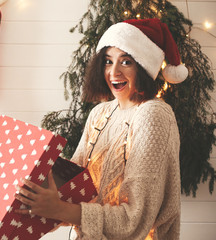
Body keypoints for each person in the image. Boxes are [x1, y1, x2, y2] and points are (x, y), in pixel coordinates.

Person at [14, 18, 188, 240]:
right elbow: (71, 191)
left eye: (126, 62)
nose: (113, 72)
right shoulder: (100, 113)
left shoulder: (153, 115)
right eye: (108, 61)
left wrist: (58, 209)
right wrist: (10, 216)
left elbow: (134, 221)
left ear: (143, 66)